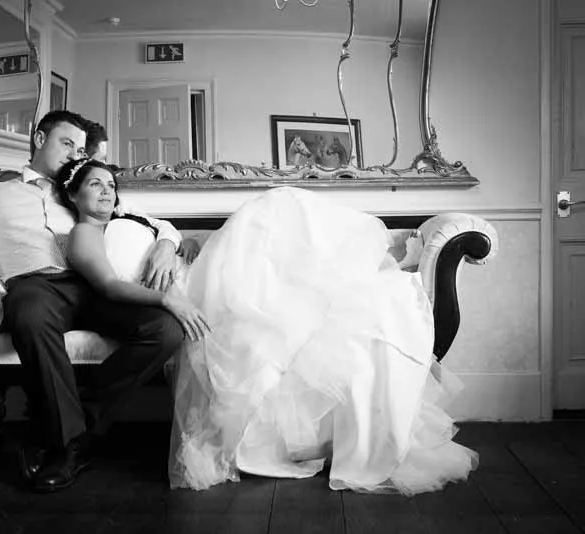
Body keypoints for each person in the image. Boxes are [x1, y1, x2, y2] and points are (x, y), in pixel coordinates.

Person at [59, 158, 479, 495]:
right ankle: (369, 268)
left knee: (279, 212)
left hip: (189, 269)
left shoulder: (128, 217)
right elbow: (111, 285)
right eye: (94, 184)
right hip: (182, 293)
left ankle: (365, 268)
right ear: (73, 194)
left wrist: (167, 245)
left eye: (109, 184)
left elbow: (163, 232)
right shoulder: (83, 234)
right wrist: (171, 295)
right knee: (276, 208)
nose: (107, 190)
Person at [0, 110, 188, 493]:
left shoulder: (81, 190)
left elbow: (158, 224)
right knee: (28, 312)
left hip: (92, 287)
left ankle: (75, 427)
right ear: (39, 138)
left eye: (79, 148)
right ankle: (67, 447)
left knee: (165, 330)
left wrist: (165, 244)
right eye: (66, 143)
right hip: (35, 286)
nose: (73, 154)